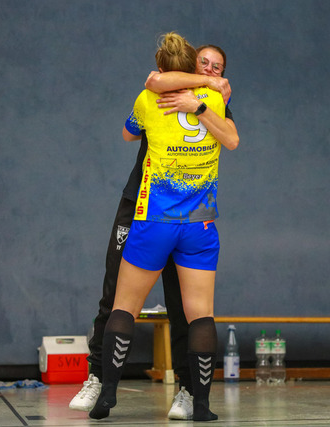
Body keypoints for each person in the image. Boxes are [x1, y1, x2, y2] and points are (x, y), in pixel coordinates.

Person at [69, 43, 237, 421]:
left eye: (218, 67)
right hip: (177, 216)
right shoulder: (196, 93)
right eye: (204, 63)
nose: (211, 71)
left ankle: (183, 390)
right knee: (121, 297)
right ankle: (99, 376)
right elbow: (231, 139)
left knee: (155, 306)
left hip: (157, 217)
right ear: (190, 65)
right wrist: (204, 93)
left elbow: (132, 127)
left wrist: (200, 101)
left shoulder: (190, 99)